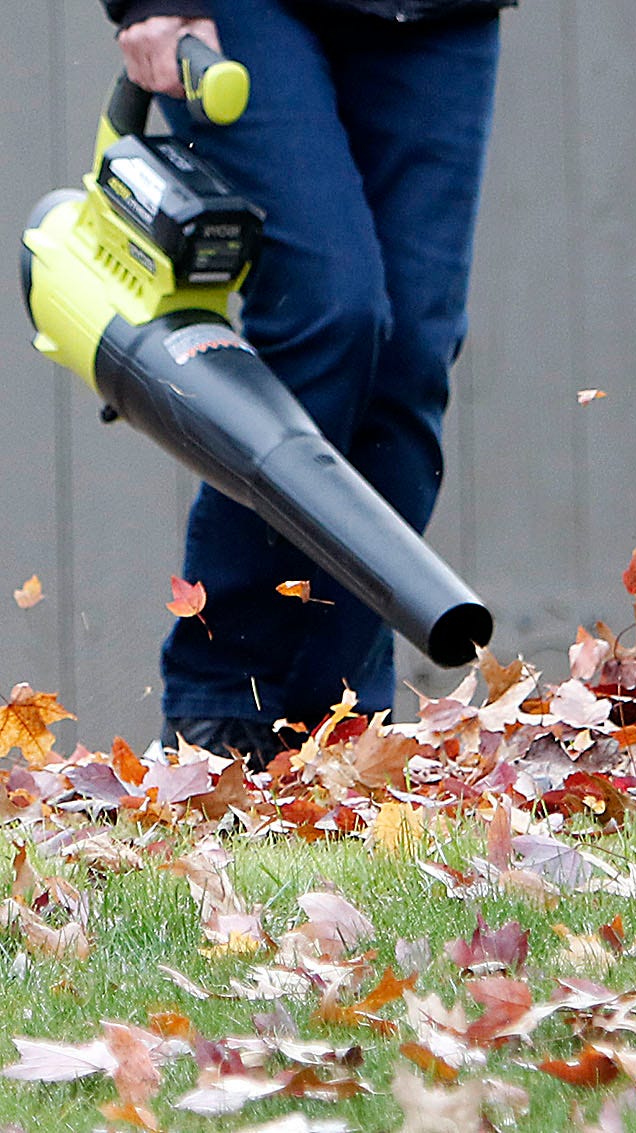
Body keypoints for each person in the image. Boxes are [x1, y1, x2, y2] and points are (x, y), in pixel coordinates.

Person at [102, 0, 513, 767]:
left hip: (437, 16)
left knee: (413, 355)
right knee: (330, 312)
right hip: (247, 9)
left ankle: (340, 725)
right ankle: (221, 705)